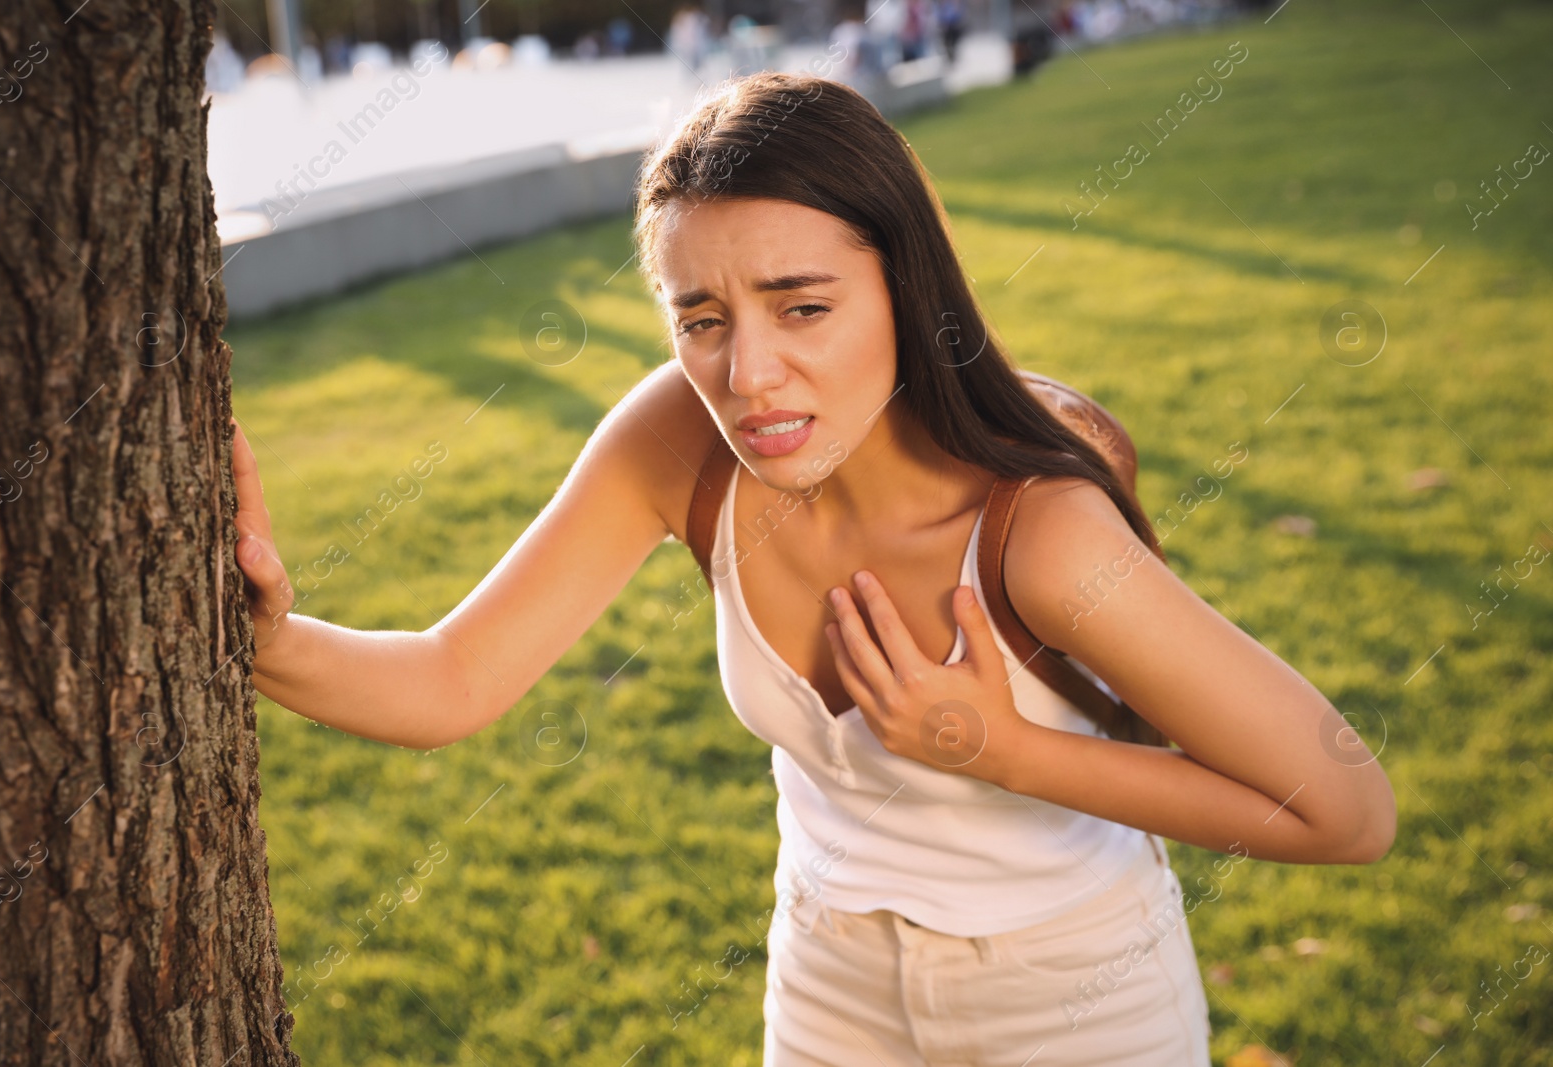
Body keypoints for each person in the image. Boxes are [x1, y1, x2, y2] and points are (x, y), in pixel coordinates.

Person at [230, 71, 1397, 1066]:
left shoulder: (1034, 529)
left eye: (803, 306)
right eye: (700, 318)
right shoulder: (677, 443)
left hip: (1071, 997)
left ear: (905, 287)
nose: (749, 374)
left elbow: (1344, 811)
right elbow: (450, 680)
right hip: (827, 981)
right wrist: (261, 630)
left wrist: (1001, 748)